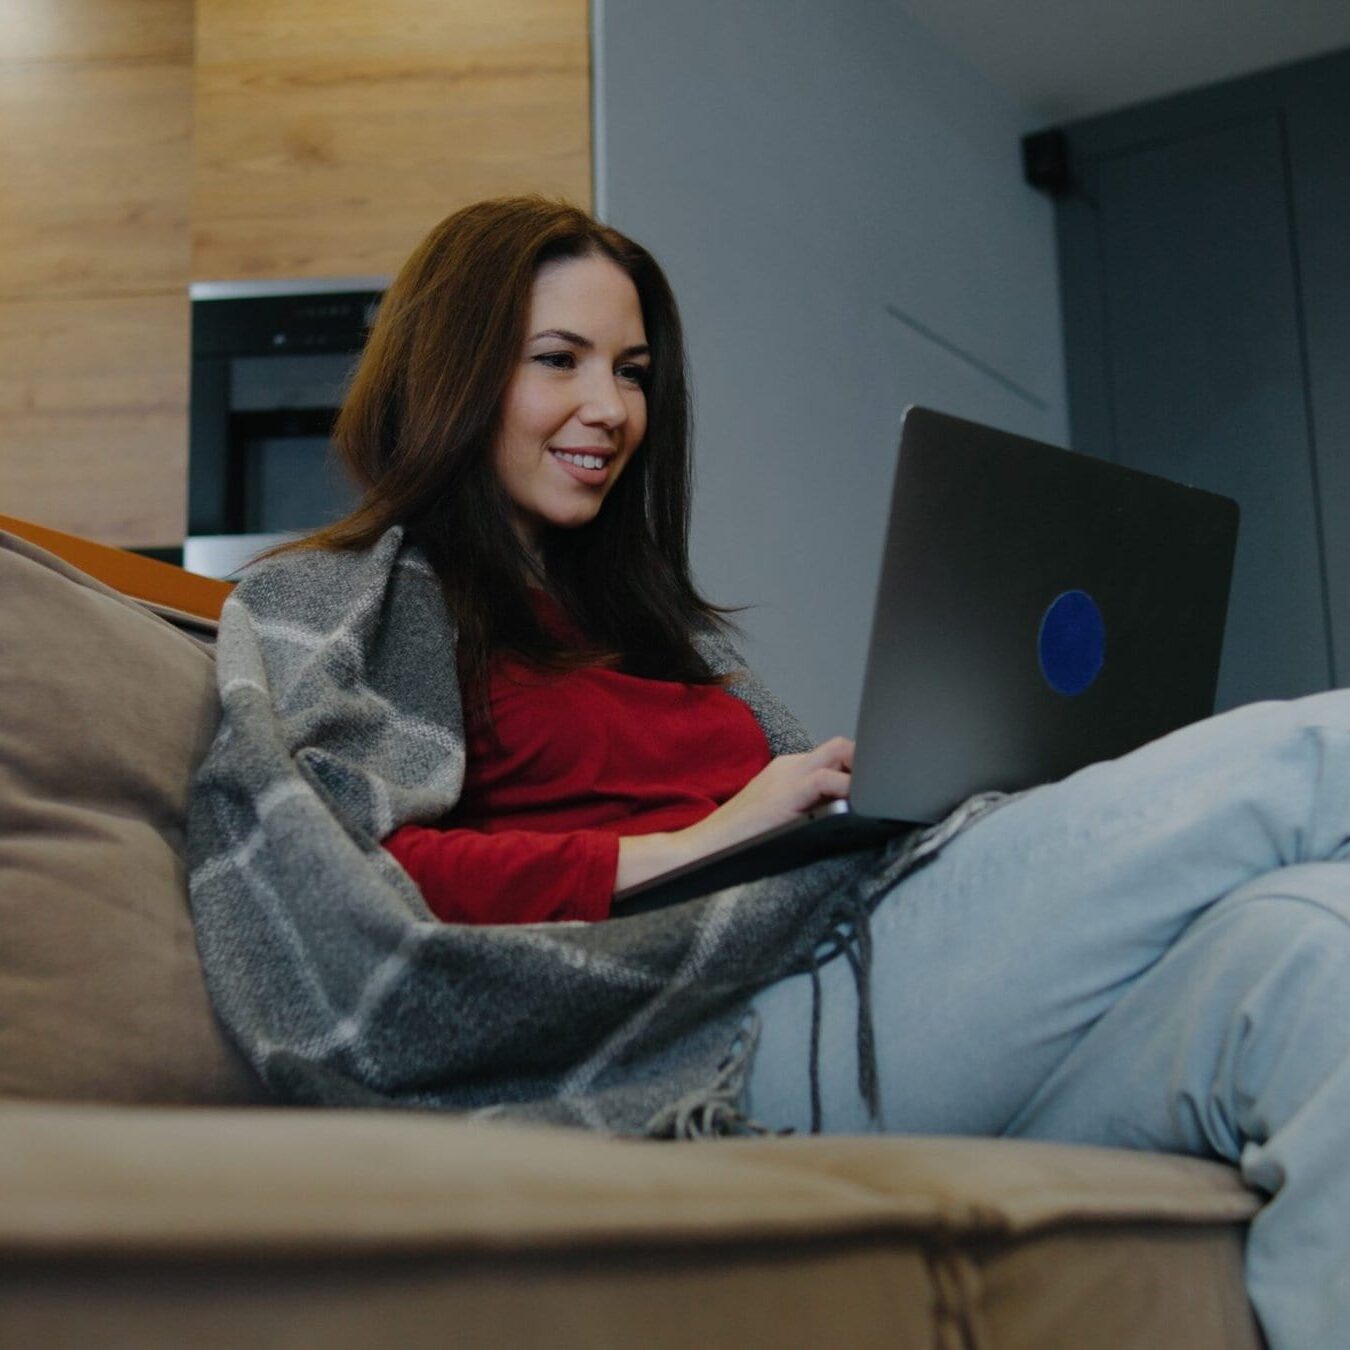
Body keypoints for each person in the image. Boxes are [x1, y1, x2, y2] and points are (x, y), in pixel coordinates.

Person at [187, 196, 1350, 1350]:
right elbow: (350, 895)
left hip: (859, 968)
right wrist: (707, 841)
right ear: (450, 376)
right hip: (721, 1040)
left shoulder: (661, 641)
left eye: (634, 371)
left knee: (1312, 946)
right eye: (560, 360)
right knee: (1305, 757)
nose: (611, 408)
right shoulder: (348, 598)